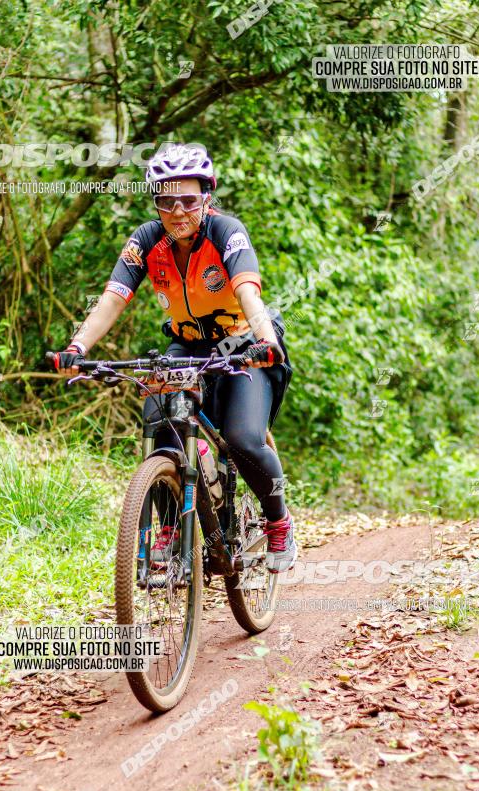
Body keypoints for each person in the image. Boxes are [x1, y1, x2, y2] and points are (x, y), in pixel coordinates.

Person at [54, 143, 297, 572]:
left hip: (243, 343)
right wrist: (78, 349)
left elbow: (247, 292)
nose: (177, 210)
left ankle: (278, 522)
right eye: (166, 200)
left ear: (206, 196)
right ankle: (168, 527)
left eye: (188, 199)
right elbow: (113, 298)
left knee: (241, 438)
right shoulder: (148, 240)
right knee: (160, 421)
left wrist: (265, 340)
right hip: (186, 346)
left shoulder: (226, 232)